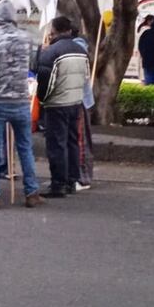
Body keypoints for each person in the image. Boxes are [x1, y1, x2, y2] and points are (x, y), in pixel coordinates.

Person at [0, 0, 43, 210]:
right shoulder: (27, 39)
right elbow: (33, 66)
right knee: (25, 148)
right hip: (20, 101)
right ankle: (32, 192)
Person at [37, 16, 90, 198]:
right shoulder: (80, 50)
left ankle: (58, 184)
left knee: (56, 144)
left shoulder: (52, 52)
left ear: (54, 30)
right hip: (75, 102)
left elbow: (46, 81)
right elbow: (86, 76)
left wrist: (43, 99)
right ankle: (71, 180)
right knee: (72, 141)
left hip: (57, 103)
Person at [71, 30, 95, 191]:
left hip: (79, 101)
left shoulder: (78, 49)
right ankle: (78, 176)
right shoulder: (79, 48)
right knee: (78, 140)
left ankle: (83, 177)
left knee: (80, 141)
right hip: (77, 100)